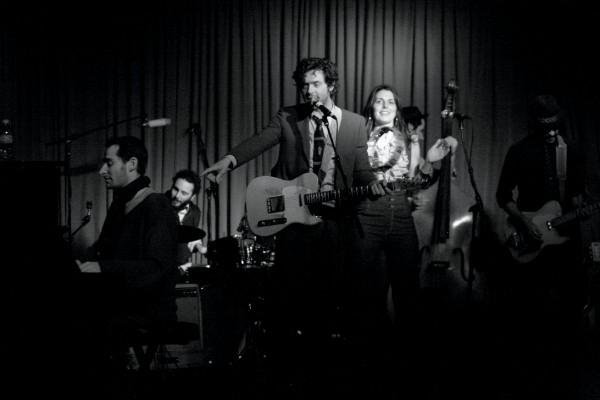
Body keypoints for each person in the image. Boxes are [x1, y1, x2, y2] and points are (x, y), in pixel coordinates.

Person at [200, 57, 379, 394]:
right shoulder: (288, 116)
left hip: (333, 222)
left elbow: (362, 170)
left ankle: (319, 372)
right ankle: (285, 374)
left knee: (326, 299)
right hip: (295, 221)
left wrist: (374, 184)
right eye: (304, 85)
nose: (308, 91)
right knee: (289, 296)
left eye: (316, 84)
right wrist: (229, 160)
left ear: (331, 86)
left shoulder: (355, 124)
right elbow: (260, 140)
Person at [345, 85, 457, 396]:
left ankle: (406, 370)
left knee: (408, 292)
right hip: (368, 216)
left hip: (401, 218)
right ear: (371, 107)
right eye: (378, 101)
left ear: (397, 108)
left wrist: (431, 160)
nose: (384, 105)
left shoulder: (406, 139)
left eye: (390, 102)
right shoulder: (358, 138)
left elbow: (412, 182)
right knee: (369, 295)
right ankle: (367, 368)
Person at [495, 94, 586, 399]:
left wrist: (579, 208)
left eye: (555, 125)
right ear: (535, 123)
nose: (552, 131)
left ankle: (566, 374)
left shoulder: (570, 150)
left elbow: (576, 194)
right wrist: (523, 222)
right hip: (531, 238)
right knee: (530, 308)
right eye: (546, 125)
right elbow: (503, 195)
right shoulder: (520, 150)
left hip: (565, 238)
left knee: (569, 305)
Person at [75, 136, 179, 389]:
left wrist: (102, 268)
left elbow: (156, 267)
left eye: (109, 163)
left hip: (149, 309)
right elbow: (101, 251)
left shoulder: (156, 205)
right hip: (123, 301)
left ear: (131, 164)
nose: (102, 170)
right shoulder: (119, 204)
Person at [166, 169, 206, 273]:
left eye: (184, 193)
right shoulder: (158, 204)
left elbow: (190, 235)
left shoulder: (195, 212)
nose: (177, 196)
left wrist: (199, 246)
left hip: (181, 266)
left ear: (193, 197)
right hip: (161, 267)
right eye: (175, 189)